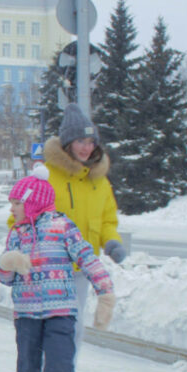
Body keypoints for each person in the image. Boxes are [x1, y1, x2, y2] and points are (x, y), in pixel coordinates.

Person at [0, 165, 115, 372]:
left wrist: (105, 292)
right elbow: (4, 278)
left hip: (61, 311)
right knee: (27, 366)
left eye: (17, 203)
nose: (12, 209)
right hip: (26, 313)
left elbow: (87, 258)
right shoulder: (17, 233)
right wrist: (6, 263)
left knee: (59, 366)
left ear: (33, 201)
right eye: (11, 203)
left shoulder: (63, 227)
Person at [38, 103, 126, 351]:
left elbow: (108, 219)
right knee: (53, 331)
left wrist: (111, 241)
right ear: (67, 144)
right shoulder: (47, 177)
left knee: (74, 330)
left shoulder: (99, 181)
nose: (87, 148)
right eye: (80, 141)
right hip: (51, 269)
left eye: (91, 141)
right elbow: (22, 218)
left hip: (81, 270)